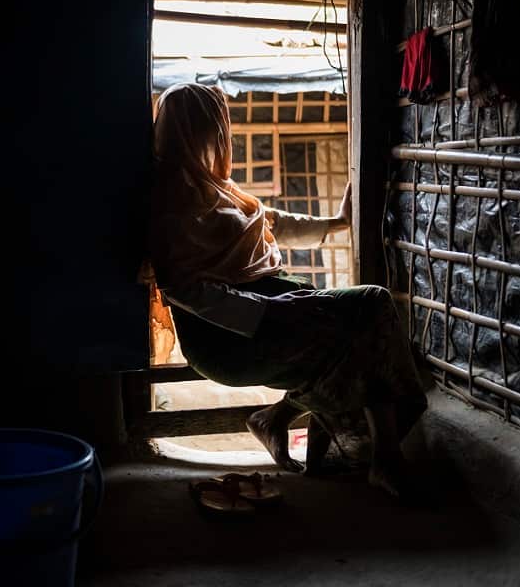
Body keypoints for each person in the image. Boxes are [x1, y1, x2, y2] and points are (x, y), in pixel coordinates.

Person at [148, 82, 427, 496]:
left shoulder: (217, 189)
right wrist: (270, 310)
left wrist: (335, 223)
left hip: (270, 310)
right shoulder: (168, 202)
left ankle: (281, 421)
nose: (221, 135)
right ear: (195, 130)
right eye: (213, 125)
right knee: (356, 327)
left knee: (370, 308)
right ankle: (378, 456)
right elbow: (183, 290)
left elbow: (267, 220)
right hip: (228, 338)